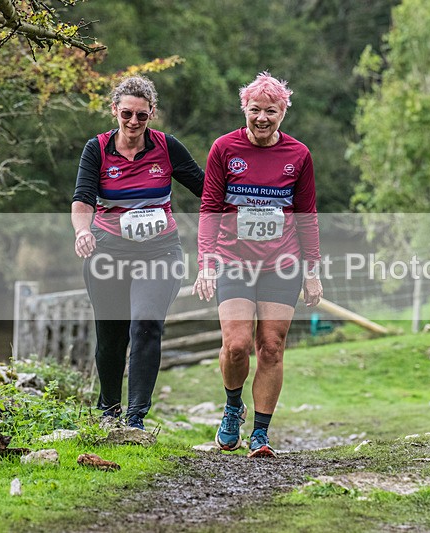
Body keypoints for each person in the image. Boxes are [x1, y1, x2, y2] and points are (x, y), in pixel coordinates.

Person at [192, 71, 322, 458]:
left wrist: (312, 272)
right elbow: (210, 208)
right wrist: (206, 264)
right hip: (233, 261)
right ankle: (233, 407)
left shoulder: (298, 155)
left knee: (271, 347)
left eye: (271, 111)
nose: (262, 118)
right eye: (255, 110)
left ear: (283, 112)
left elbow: (307, 215)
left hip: (282, 264)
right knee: (236, 345)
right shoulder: (224, 149)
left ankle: (261, 434)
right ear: (244, 110)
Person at [72, 75, 204, 430]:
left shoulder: (166, 147)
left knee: (146, 324)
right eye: (126, 113)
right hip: (109, 251)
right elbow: (83, 198)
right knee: (111, 336)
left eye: (141, 116)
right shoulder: (97, 149)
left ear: (152, 114)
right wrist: (83, 230)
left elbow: (206, 188)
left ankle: (135, 418)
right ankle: (109, 410)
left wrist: (249, 203)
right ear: (114, 110)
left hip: (159, 252)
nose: (133, 122)